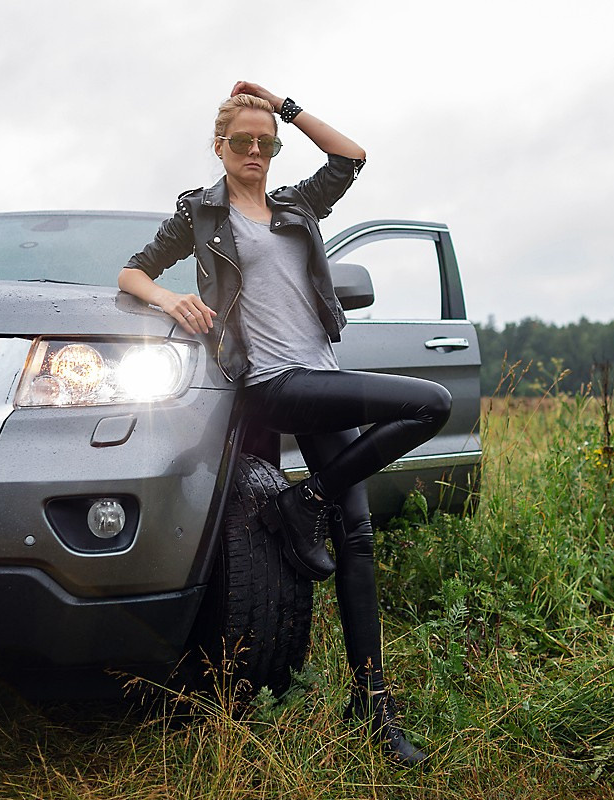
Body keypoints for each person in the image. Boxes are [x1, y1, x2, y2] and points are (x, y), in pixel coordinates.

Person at [118, 81, 450, 768]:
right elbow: (133, 272)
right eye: (242, 142)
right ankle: (304, 502)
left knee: (356, 539)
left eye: (265, 144)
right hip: (268, 382)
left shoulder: (296, 204)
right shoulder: (201, 213)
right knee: (430, 404)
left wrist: (285, 106)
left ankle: (371, 705)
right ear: (220, 146)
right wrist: (172, 298)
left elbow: (351, 156)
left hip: (320, 373)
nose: (255, 153)